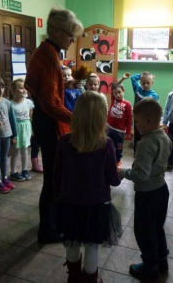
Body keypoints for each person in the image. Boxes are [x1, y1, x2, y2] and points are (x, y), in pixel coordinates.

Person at [24, 7, 83, 243]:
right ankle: (46, 230)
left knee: (54, 176)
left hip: (45, 119)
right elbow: (50, 102)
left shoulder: (48, 52)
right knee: (52, 179)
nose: (71, 41)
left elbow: (50, 94)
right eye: (70, 35)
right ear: (57, 31)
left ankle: (52, 223)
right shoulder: (48, 55)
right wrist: (76, 118)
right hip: (47, 122)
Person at [54, 91, 122, 283]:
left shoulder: (65, 142)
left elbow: (56, 174)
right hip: (96, 205)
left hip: (68, 203)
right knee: (92, 244)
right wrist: (119, 173)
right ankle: (91, 279)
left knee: (72, 240)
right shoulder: (106, 144)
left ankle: (73, 277)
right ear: (101, 117)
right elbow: (113, 180)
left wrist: (57, 196)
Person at [119, 98, 172, 282]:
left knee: (143, 231)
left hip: (147, 194)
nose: (135, 124)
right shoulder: (165, 137)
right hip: (162, 189)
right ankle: (161, 261)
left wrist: (122, 172)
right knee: (157, 227)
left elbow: (140, 175)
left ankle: (150, 267)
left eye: (137, 120)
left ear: (148, 121)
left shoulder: (145, 143)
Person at [9, 78, 34, 182]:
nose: (24, 90)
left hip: (26, 127)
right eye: (21, 88)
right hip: (16, 128)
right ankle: (13, 172)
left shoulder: (28, 102)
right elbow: (9, 120)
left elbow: (30, 116)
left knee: (25, 150)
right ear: (14, 90)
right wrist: (11, 134)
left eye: (25, 88)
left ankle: (24, 170)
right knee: (15, 151)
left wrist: (32, 129)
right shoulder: (10, 104)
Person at [129, 72, 159, 155]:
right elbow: (133, 78)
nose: (145, 85)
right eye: (143, 83)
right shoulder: (137, 89)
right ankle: (136, 157)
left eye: (148, 83)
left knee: (146, 140)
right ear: (141, 82)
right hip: (137, 120)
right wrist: (143, 75)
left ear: (152, 83)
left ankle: (145, 157)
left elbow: (155, 110)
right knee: (137, 139)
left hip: (147, 122)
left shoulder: (154, 95)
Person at [107, 76, 132, 170]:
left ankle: (118, 161)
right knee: (109, 145)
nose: (117, 95)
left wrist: (128, 132)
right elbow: (113, 86)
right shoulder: (113, 100)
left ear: (123, 91)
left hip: (120, 131)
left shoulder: (127, 104)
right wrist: (122, 79)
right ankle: (110, 160)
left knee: (119, 147)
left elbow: (129, 119)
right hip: (110, 128)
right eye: (115, 93)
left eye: (119, 92)